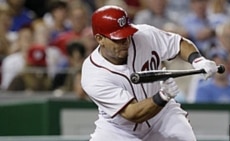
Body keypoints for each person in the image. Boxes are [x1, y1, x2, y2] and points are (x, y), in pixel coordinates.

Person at [81, 5, 218, 141]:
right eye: (118, 39)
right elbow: (133, 113)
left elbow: (178, 44)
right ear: (99, 39)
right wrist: (163, 95)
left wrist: (198, 60)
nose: (126, 41)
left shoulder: (144, 34)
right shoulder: (93, 74)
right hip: (119, 130)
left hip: (161, 115)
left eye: (127, 34)